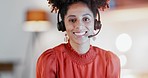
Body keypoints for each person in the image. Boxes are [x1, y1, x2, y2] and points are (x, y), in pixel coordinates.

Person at [36, 0, 120, 78]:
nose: (79, 26)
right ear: (62, 24)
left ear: (95, 23)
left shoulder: (109, 62)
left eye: (86, 19)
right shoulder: (50, 61)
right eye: (72, 20)